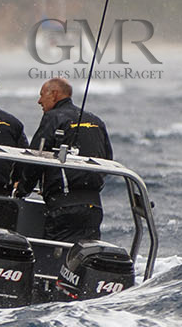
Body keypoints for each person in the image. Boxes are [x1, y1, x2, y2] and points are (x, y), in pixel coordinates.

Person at [17, 76, 114, 240]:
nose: (39, 101)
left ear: (54, 94)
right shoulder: (96, 121)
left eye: (42, 95)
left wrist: (21, 189)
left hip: (63, 207)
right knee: (85, 255)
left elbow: (35, 159)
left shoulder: (53, 118)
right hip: (93, 207)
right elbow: (107, 160)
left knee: (55, 256)